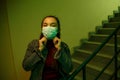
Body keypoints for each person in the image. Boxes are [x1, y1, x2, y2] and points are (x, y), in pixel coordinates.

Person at [22, 15, 73, 80]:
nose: (48, 28)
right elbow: (26, 66)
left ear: (58, 29)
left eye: (53, 25)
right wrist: (39, 50)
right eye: (45, 25)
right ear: (42, 29)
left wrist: (59, 50)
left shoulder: (63, 46)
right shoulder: (33, 44)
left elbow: (69, 69)